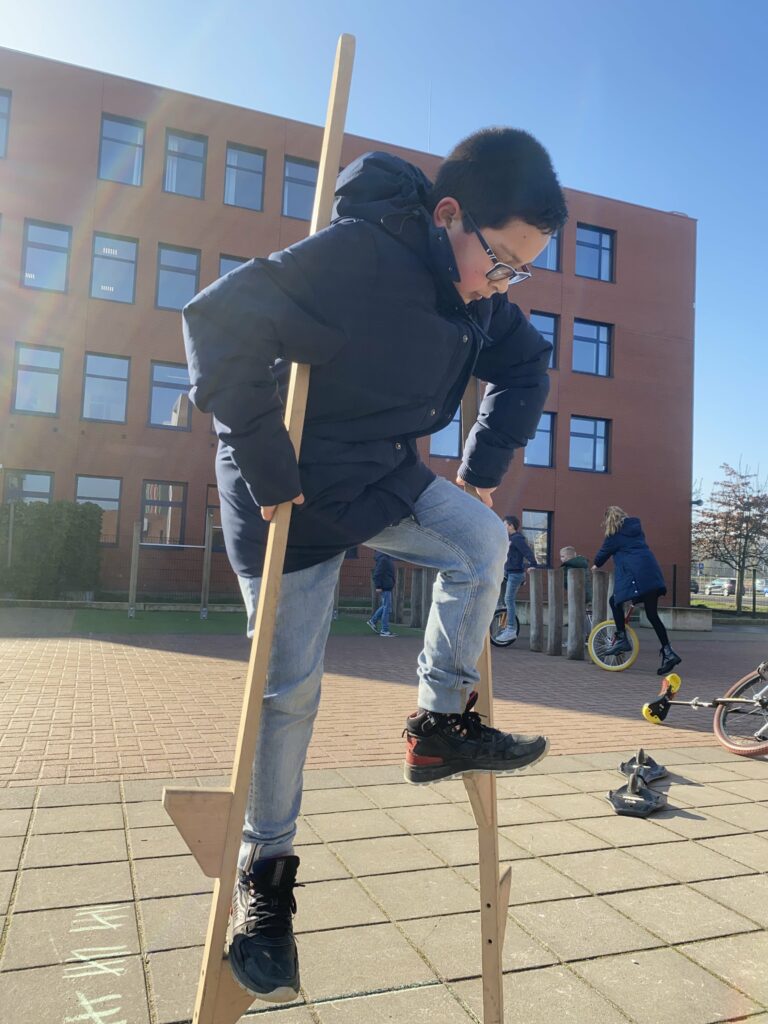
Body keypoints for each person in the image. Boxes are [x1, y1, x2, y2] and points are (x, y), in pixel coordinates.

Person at [183, 127, 567, 1003]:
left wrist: (481, 468)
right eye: (498, 262)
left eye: (519, 274)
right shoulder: (359, 255)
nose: (498, 285)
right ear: (448, 215)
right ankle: (265, 880)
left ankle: (439, 725)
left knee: (483, 542)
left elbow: (528, 364)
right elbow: (216, 318)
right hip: (287, 492)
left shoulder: (477, 302)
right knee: (289, 694)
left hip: (381, 471)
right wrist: (264, 457)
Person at [593, 506, 681, 675]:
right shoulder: (637, 531)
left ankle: (621, 638)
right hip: (652, 574)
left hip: (637, 577)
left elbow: (602, 555)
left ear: (609, 520)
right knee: (652, 615)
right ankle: (668, 652)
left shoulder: (614, 535)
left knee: (614, 601)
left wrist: (595, 565)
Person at [496, 515, 538, 643]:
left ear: (510, 526)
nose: (503, 527)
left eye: (504, 524)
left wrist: (533, 564)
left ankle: (510, 629)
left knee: (509, 599)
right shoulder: (510, 539)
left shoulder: (517, 539)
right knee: (501, 594)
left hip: (515, 574)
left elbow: (527, 552)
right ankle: (500, 612)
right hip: (509, 572)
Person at [560, 545, 592, 638]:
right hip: (586, 593)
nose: (561, 558)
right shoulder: (582, 563)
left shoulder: (570, 566)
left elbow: (566, 582)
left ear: (569, 557)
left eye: (562, 556)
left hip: (577, 594)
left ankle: (577, 638)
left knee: (576, 616)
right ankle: (587, 635)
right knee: (583, 615)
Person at [367, 550, 397, 636]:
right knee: (386, 607)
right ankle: (384, 629)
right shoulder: (384, 559)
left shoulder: (386, 558)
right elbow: (377, 573)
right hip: (385, 586)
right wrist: (378, 586)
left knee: (385, 606)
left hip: (387, 586)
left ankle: (373, 621)